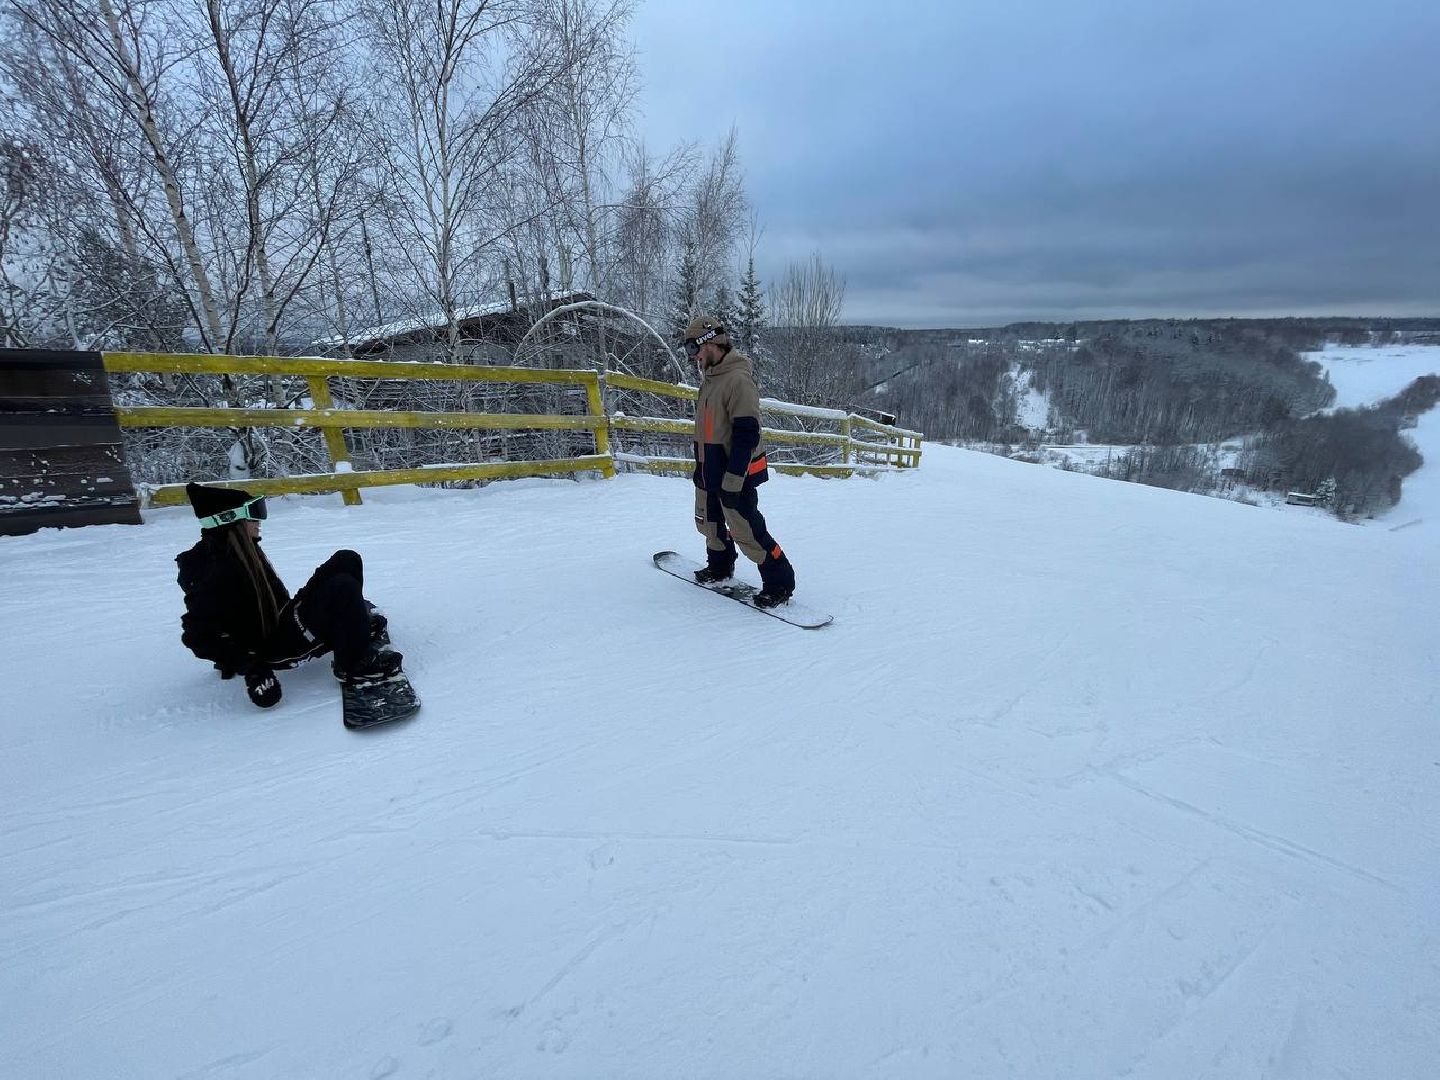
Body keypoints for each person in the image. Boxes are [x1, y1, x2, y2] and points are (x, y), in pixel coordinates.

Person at [175, 482, 402, 708]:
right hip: (275, 646)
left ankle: (352, 629)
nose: (259, 522)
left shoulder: (237, 546)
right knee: (342, 586)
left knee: (346, 559)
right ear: (230, 521)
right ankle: (354, 664)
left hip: (283, 618)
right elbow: (198, 635)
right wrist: (253, 668)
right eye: (254, 515)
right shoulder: (216, 570)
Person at [685, 314, 796, 607]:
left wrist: (734, 478)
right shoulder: (710, 379)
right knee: (708, 523)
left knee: (747, 530)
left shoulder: (738, 380)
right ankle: (720, 566)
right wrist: (701, 466)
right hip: (709, 467)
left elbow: (747, 433)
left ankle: (780, 582)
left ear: (710, 343)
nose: (693, 357)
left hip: (735, 471)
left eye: (693, 349)